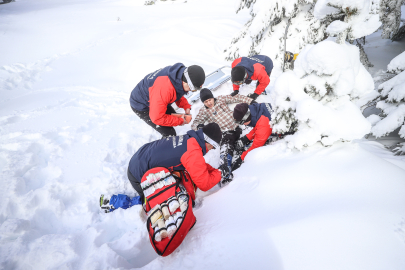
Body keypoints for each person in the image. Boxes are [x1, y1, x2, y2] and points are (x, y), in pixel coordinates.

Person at [127, 123, 230, 201]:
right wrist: (220, 173)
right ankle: (133, 203)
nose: (212, 149)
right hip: (139, 174)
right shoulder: (192, 152)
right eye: (214, 146)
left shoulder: (190, 140)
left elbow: (198, 165)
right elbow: (204, 184)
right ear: (209, 141)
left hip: (139, 157)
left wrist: (215, 171)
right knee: (153, 202)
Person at [191, 88, 255, 180]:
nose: (209, 103)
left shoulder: (221, 99)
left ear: (213, 98)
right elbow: (195, 123)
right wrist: (198, 127)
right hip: (225, 132)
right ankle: (225, 167)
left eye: (210, 100)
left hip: (236, 125)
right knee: (226, 144)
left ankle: (245, 149)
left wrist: (251, 101)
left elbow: (236, 98)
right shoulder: (204, 111)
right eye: (206, 102)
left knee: (246, 132)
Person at [130, 63, 205, 138]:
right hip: (141, 105)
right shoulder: (164, 89)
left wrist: (186, 106)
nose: (191, 91)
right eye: (193, 88)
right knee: (170, 134)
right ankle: (162, 148)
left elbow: (177, 91)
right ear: (187, 82)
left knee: (174, 116)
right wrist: (180, 120)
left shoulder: (178, 76)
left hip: (156, 97)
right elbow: (157, 118)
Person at [232, 102, 273, 171]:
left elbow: (256, 147)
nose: (243, 125)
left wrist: (241, 158)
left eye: (242, 122)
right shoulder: (257, 109)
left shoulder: (263, 123)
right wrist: (246, 138)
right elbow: (258, 126)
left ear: (246, 118)